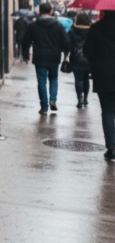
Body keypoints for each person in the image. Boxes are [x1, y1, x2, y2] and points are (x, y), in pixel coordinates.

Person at [22, 3, 71, 115]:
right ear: (51, 12)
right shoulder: (58, 26)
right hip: (54, 57)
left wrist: (25, 54)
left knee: (42, 81)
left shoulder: (33, 25)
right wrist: (65, 53)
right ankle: (53, 100)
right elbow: (66, 42)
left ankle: (44, 106)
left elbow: (26, 41)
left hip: (40, 57)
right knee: (53, 78)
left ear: (39, 11)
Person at [83, 10, 115, 160]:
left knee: (108, 111)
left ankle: (112, 148)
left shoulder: (96, 28)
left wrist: (96, 63)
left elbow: (87, 50)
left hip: (104, 73)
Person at [65, 13, 91, 109]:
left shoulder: (72, 31)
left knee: (78, 79)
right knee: (86, 79)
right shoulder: (91, 31)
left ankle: (79, 98)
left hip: (76, 58)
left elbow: (68, 44)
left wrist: (66, 55)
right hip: (89, 59)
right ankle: (86, 99)